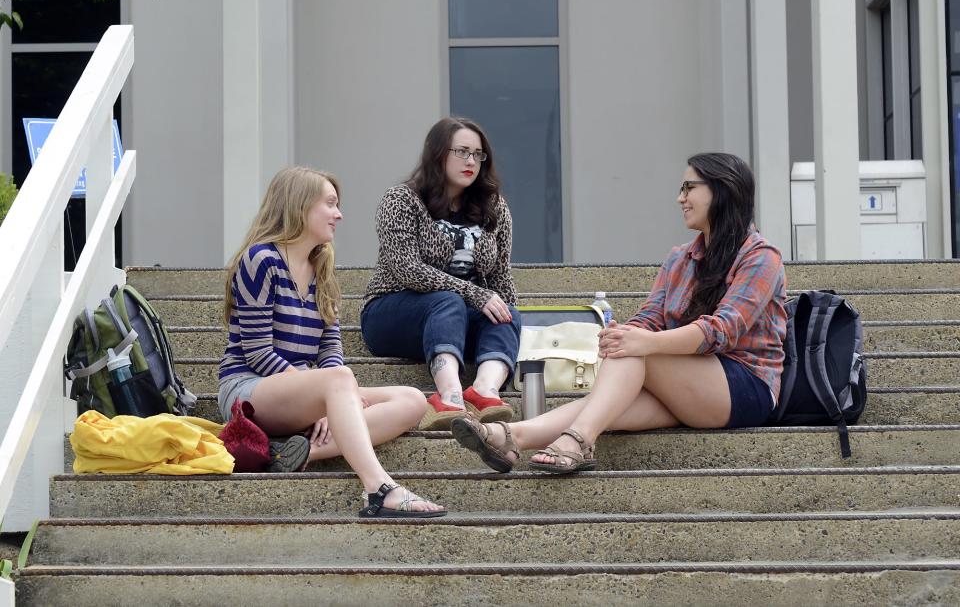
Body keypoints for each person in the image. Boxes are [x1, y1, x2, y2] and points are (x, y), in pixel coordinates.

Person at [450, 152, 786, 474]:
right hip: (690, 384)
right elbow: (650, 317)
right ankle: (511, 437)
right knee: (613, 393)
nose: (679, 198)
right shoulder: (680, 258)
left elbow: (721, 330)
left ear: (722, 190)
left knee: (635, 350)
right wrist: (622, 334)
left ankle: (578, 441)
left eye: (689, 187)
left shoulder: (760, 257)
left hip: (744, 385)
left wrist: (643, 343)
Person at [218, 166, 444, 517]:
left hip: (303, 393)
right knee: (340, 380)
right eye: (330, 204)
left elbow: (330, 349)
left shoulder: (321, 266)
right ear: (300, 206)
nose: (339, 214)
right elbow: (258, 352)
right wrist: (325, 396)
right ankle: (379, 488)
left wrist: (327, 398)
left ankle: (301, 452)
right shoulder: (261, 260)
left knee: (413, 399)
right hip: (249, 389)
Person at [361, 117, 521, 431]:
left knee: (505, 314)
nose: (471, 161)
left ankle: (484, 391)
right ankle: (449, 395)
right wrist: (473, 293)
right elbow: (407, 269)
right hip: (392, 313)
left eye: (478, 154)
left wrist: (511, 319)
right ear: (438, 154)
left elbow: (501, 276)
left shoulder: (495, 207)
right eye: (462, 151)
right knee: (448, 301)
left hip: (457, 319)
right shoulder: (401, 200)